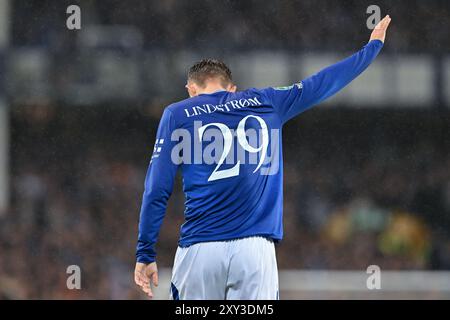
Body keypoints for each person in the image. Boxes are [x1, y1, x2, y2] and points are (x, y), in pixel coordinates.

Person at [134, 15, 392, 300]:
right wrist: (371, 49)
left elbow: (156, 189)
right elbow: (321, 84)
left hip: (199, 248)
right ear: (232, 88)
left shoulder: (177, 113)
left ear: (190, 90)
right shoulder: (266, 101)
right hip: (254, 251)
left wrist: (145, 251)